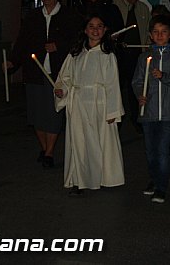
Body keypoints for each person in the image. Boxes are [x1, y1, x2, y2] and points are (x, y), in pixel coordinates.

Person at [4, 0, 80, 168]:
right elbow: (22, 42)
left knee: (54, 112)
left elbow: (77, 41)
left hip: (58, 73)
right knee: (37, 114)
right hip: (35, 72)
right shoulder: (33, 16)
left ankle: (49, 152)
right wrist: (12, 61)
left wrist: (59, 46)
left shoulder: (69, 16)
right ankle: (45, 147)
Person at [54, 15, 126, 196]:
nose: (95, 30)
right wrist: (62, 90)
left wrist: (112, 111)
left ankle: (100, 176)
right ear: (85, 30)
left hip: (98, 104)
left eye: (99, 26)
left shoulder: (107, 56)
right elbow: (65, 77)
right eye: (91, 26)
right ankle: (79, 180)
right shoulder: (76, 54)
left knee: (98, 142)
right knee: (78, 142)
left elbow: (112, 84)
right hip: (78, 104)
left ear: (105, 30)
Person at [132, 15, 170, 204]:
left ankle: (161, 187)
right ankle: (154, 179)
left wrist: (164, 76)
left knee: (163, 150)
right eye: (155, 32)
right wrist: (140, 94)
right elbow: (137, 81)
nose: (159, 35)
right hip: (148, 112)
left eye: (164, 32)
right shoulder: (144, 57)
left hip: (168, 111)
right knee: (150, 150)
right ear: (150, 35)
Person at [113, 0, 151, 132]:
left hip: (137, 53)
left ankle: (137, 118)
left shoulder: (143, 9)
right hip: (119, 54)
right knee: (118, 88)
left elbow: (147, 31)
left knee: (136, 87)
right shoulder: (115, 5)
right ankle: (117, 120)